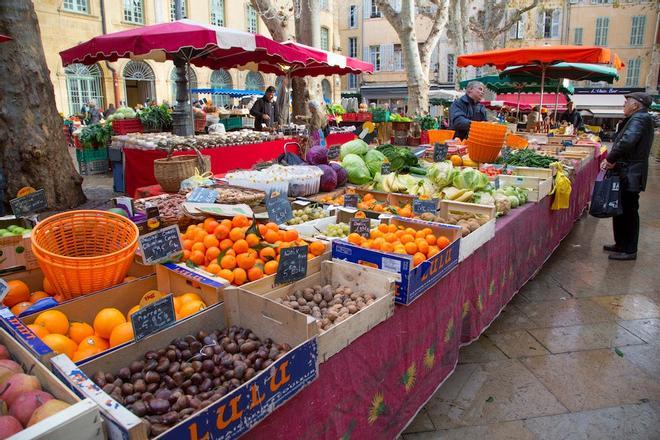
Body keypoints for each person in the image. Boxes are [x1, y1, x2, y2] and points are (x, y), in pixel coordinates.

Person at [600, 92, 655, 260]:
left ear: (636, 105)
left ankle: (629, 249)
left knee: (629, 211)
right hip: (628, 170)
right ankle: (621, 244)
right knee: (621, 209)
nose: (624, 105)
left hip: (631, 172)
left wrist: (610, 159)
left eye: (627, 102)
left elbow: (627, 141)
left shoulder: (639, 119)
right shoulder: (639, 118)